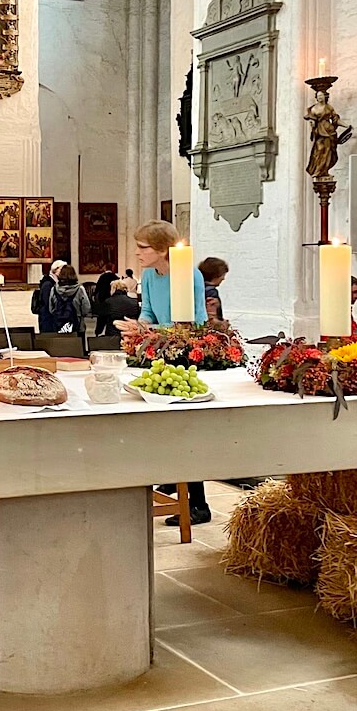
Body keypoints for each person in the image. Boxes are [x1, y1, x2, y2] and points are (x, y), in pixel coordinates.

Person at [118, 220, 210, 526]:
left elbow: (194, 322)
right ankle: (173, 476)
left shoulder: (188, 274)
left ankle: (197, 503)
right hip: (159, 351)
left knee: (186, 431)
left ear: (161, 250)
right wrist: (138, 325)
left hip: (186, 356)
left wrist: (154, 330)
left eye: (142, 247)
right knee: (161, 427)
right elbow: (149, 312)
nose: (137, 253)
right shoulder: (149, 275)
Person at [49, 264, 93, 334]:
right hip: (77, 325)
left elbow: (51, 309)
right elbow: (86, 309)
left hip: (59, 325)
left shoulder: (54, 289)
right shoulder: (80, 289)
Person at [32, 259, 66, 332]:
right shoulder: (47, 284)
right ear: (56, 270)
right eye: (62, 269)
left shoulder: (56, 283)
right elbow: (47, 302)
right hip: (48, 319)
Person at [198, 256, 229, 321]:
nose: (223, 278)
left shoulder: (198, 288)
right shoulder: (211, 292)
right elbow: (212, 316)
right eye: (222, 275)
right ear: (216, 275)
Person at [93, 267, 120, 335]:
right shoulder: (114, 276)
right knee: (111, 315)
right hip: (112, 297)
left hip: (102, 298)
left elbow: (98, 287)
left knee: (101, 316)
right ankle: (109, 331)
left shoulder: (102, 276)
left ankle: (98, 331)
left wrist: (95, 295)